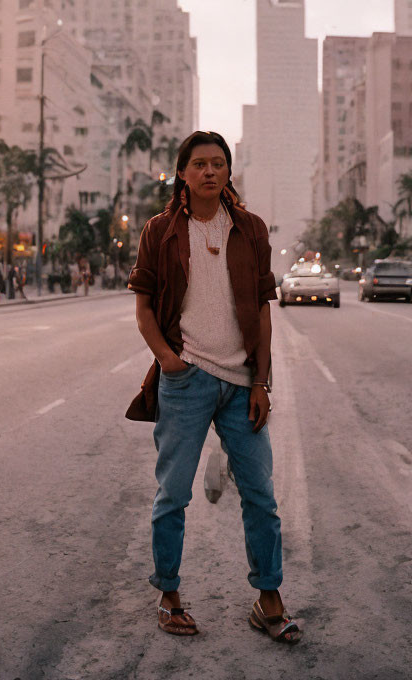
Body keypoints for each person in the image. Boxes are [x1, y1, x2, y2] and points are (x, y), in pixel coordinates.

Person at [126, 131, 300, 643]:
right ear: (182, 173)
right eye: (199, 164)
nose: (209, 171)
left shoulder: (250, 229)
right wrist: (168, 361)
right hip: (187, 382)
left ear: (228, 172)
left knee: (261, 497)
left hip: (242, 380)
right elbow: (143, 306)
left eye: (218, 164)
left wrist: (262, 382)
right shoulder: (160, 231)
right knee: (173, 496)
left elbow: (264, 310)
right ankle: (170, 595)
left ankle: (267, 599)